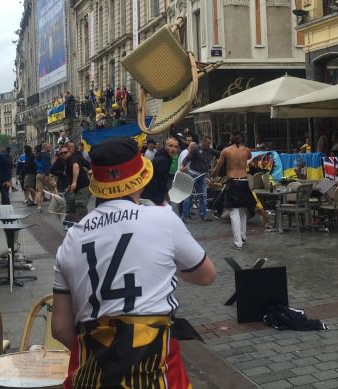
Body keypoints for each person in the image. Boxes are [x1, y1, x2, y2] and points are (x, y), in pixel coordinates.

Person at [51, 137, 216, 389]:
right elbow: (206, 275)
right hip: (157, 372)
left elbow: (61, 329)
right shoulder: (162, 219)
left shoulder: (72, 237)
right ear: (140, 180)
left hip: (93, 377)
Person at [212, 131, 254, 249]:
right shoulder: (246, 150)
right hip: (244, 181)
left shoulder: (226, 151)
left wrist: (213, 176)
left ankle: (238, 242)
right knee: (242, 211)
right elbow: (250, 158)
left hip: (232, 182)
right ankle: (243, 236)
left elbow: (218, 167)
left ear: (230, 139)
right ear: (241, 139)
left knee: (234, 213)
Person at [180, 136, 219, 222]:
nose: (208, 145)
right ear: (203, 142)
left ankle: (203, 215)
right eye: (207, 143)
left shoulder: (210, 150)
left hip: (202, 175)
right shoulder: (196, 149)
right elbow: (187, 158)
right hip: (193, 174)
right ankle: (184, 217)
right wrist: (183, 166)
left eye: (210, 143)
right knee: (188, 196)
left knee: (203, 195)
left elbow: (220, 154)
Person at [59, 143, 91, 223]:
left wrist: (74, 182)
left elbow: (76, 166)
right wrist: (70, 186)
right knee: (71, 205)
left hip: (83, 186)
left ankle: (83, 226)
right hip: (77, 188)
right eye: (61, 153)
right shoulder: (66, 161)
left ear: (69, 152)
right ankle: (75, 224)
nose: (63, 154)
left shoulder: (72, 158)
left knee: (80, 206)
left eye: (65, 152)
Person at [142, 137, 179, 205]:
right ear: (165, 146)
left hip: (151, 194)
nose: (173, 149)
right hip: (151, 196)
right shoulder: (162, 160)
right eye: (170, 146)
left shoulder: (162, 156)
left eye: (176, 147)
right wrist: (166, 196)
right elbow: (161, 182)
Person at [34, 143, 56, 211]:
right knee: (53, 188)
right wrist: (47, 175)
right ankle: (52, 206)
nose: (50, 148)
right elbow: (47, 166)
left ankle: (39, 207)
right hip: (45, 174)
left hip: (38, 174)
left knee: (39, 191)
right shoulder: (46, 155)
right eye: (49, 147)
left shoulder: (37, 155)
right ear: (45, 147)